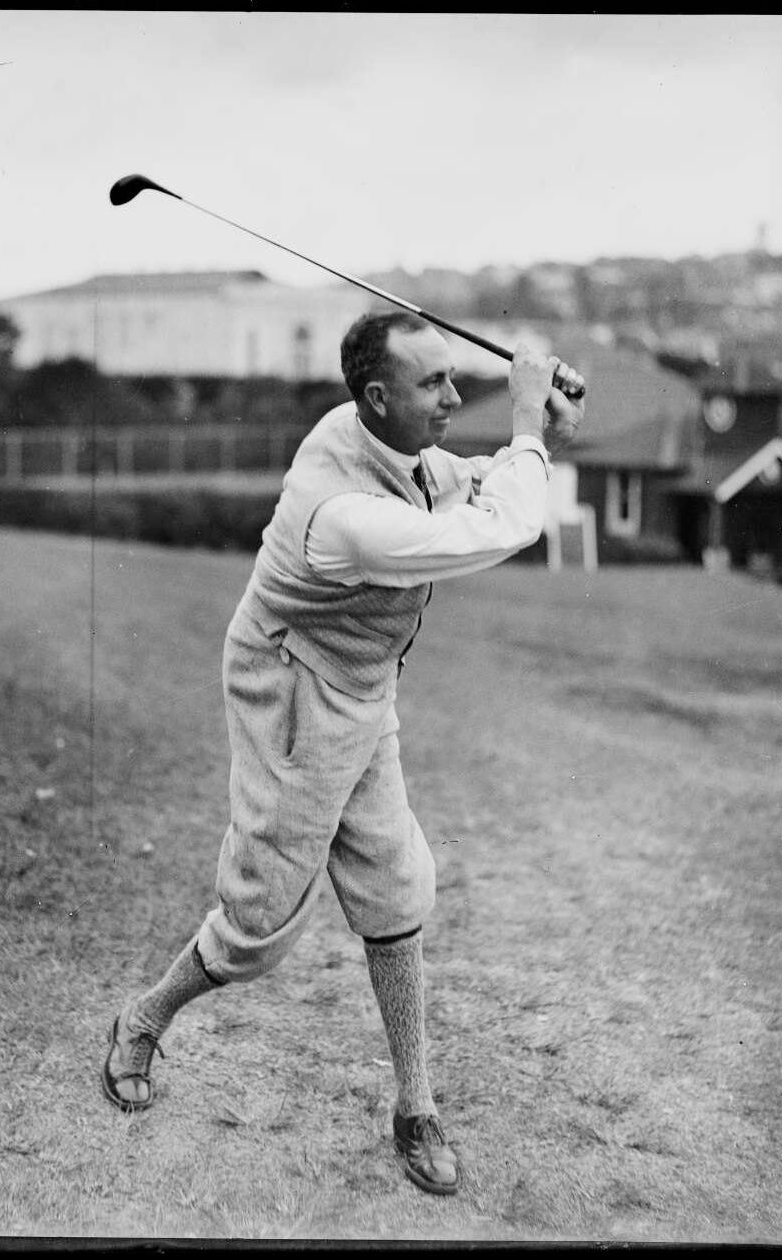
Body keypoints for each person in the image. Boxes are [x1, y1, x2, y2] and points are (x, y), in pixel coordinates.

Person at [101, 311, 585, 1197]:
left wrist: (535, 438)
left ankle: (416, 1106)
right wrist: (524, 431)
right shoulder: (344, 514)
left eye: (453, 378)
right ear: (375, 398)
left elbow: (461, 480)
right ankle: (142, 1019)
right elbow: (499, 530)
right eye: (434, 384)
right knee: (259, 924)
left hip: (362, 686)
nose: (453, 396)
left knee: (395, 882)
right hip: (292, 688)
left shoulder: (372, 437)